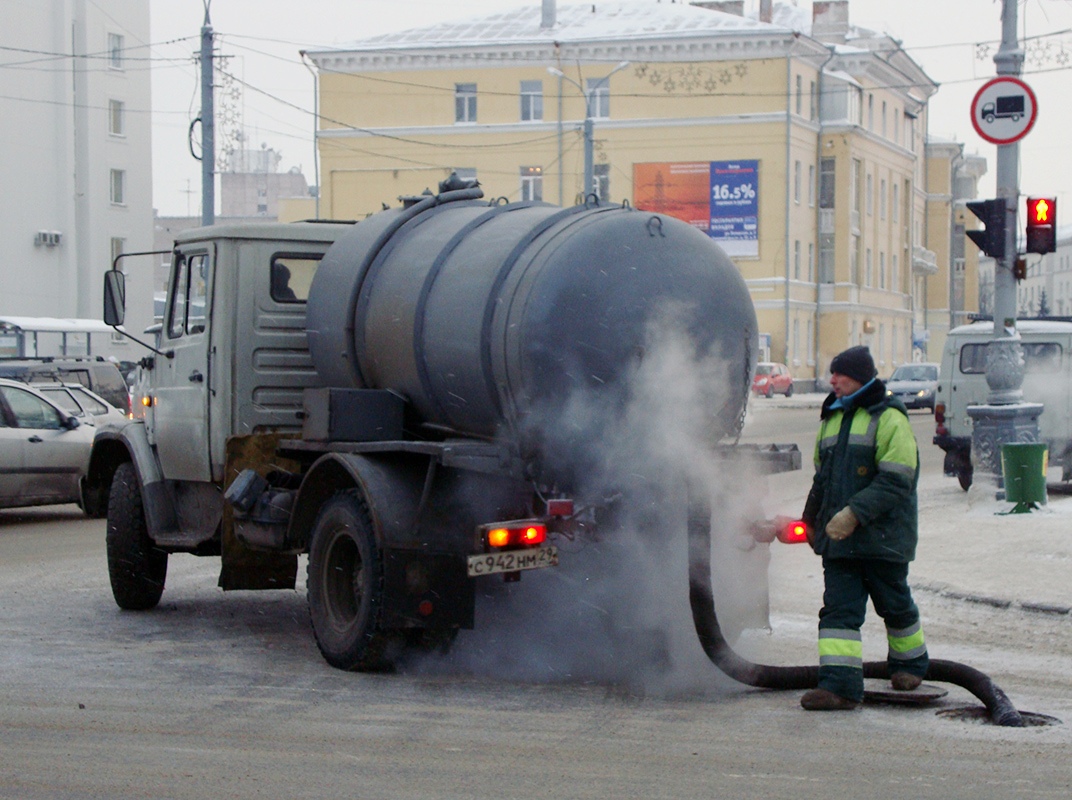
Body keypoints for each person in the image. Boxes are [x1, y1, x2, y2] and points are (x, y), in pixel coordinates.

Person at [799, 345, 929, 711]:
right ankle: (838, 687)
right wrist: (811, 524)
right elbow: (821, 481)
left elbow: (897, 481)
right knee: (839, 613)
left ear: (858, 376)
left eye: (838, 374)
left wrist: (853, 514)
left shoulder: (889, 418)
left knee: (895, 605)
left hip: (882, 539)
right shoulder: (832, 418)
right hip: (840, 543)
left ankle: (910, 666)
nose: (832, 381)